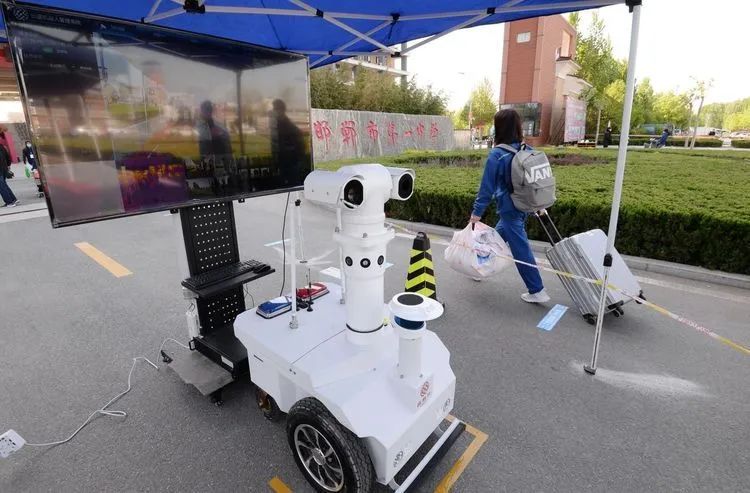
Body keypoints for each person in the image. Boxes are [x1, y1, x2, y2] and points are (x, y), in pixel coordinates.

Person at [470, 109, 549, 303]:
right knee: (494, 239)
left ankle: (537, 290)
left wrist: (476, 213)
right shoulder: (526, 149)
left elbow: (486, 188)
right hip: (525, 205)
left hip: (509, 209)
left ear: (499, 128)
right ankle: (479, 269)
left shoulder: (497, 154)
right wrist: (538, 204)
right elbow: (536, 180)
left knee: (520, 249)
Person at [0, 141, 18, 207]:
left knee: (2, 187)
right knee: (4, 185)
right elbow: (7, 156)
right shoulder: (1, 146)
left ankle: (9, 202)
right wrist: (8, 165)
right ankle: (13, 199)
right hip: (4, 169)